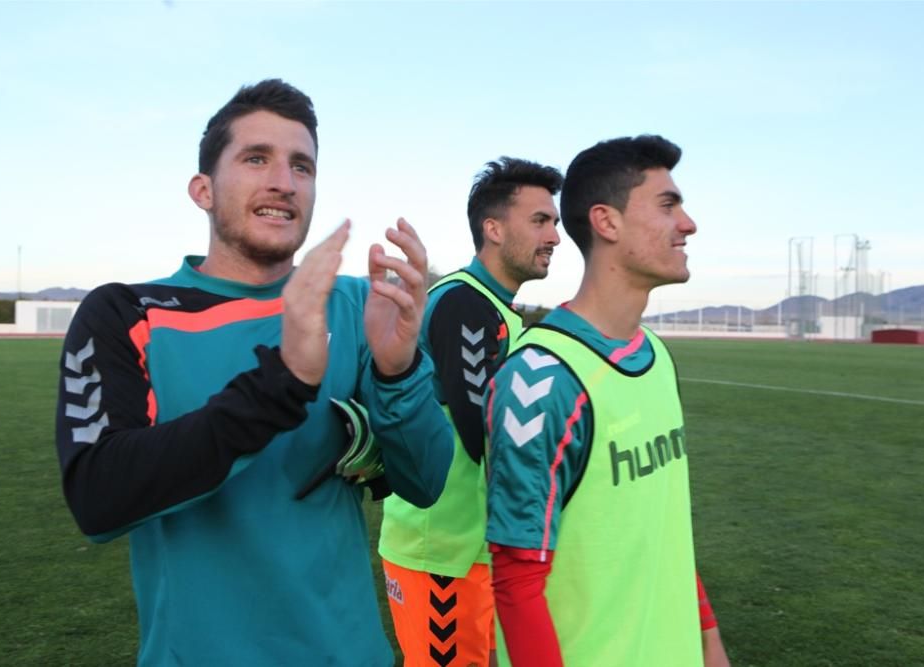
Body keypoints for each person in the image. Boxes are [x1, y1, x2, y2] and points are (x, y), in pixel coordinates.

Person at [54, 79, 453, 667]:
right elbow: (99, 497)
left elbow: (426, 480)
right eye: (255, 158)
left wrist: (398, 372)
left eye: (302, 166)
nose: (284, 182)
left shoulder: (354, 306)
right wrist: (282, 385)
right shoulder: (128, 313)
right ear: (203, 190)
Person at [484, 135, 731, 666]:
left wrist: (707, 638)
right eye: (668, 205)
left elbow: (661, 530)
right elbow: (517, 582)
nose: (687, 224)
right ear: (607, 222)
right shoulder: (540, 379)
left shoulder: (657, 356)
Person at [378, 157, 563, 666]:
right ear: (494, 228)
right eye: (540, 220)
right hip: (443, 552)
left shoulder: (495, 308)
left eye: (555, 222)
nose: (555, 236)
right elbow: (487, 433)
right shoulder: (465, 304)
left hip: (474, 552)